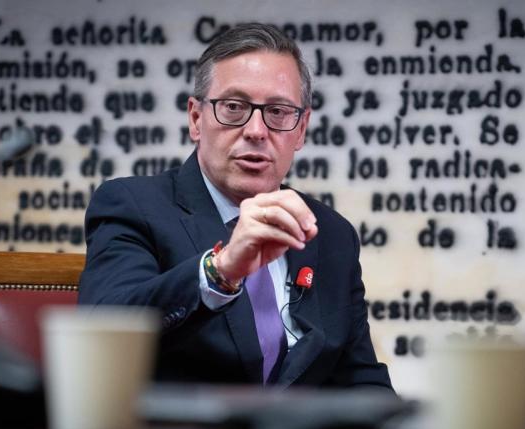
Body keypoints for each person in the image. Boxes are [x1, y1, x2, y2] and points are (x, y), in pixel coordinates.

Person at [78, 23, 393, 391]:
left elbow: (362, 381)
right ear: (196, 118)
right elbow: (105, 330)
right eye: (233, 107)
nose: (256, 130)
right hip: (179, 428)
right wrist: (221, 270)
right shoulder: (133, 205)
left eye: (278, 111)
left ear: (302, 128)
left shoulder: (331, 233)